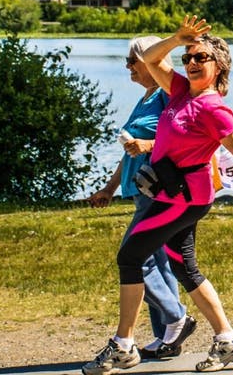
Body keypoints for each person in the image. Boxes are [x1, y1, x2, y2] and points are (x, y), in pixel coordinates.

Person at [82, 15, 233, 375]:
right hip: (174, 194)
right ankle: (227, 339)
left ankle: (123, 346)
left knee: (130, 256)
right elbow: (152, 60)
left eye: (199, 57)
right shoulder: (179, 91)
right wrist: (178, 37)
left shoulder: (214, 108)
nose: (190, 63)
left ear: (218, 66)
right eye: (187, 58)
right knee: (184, 268)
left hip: (184, 198)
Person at [87, 36, 197, 362]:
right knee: (159, 264)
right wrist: (109, 188)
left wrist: (146, 146)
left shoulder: (167, 94)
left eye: (132, 60)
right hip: (139, 191)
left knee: (134, 258)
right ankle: (167, 338)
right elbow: (130, 151)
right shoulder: (147, 97)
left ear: (149, 62)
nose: (128, 67)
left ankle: (176, 318)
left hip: (159, 191)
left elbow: (177, 138)